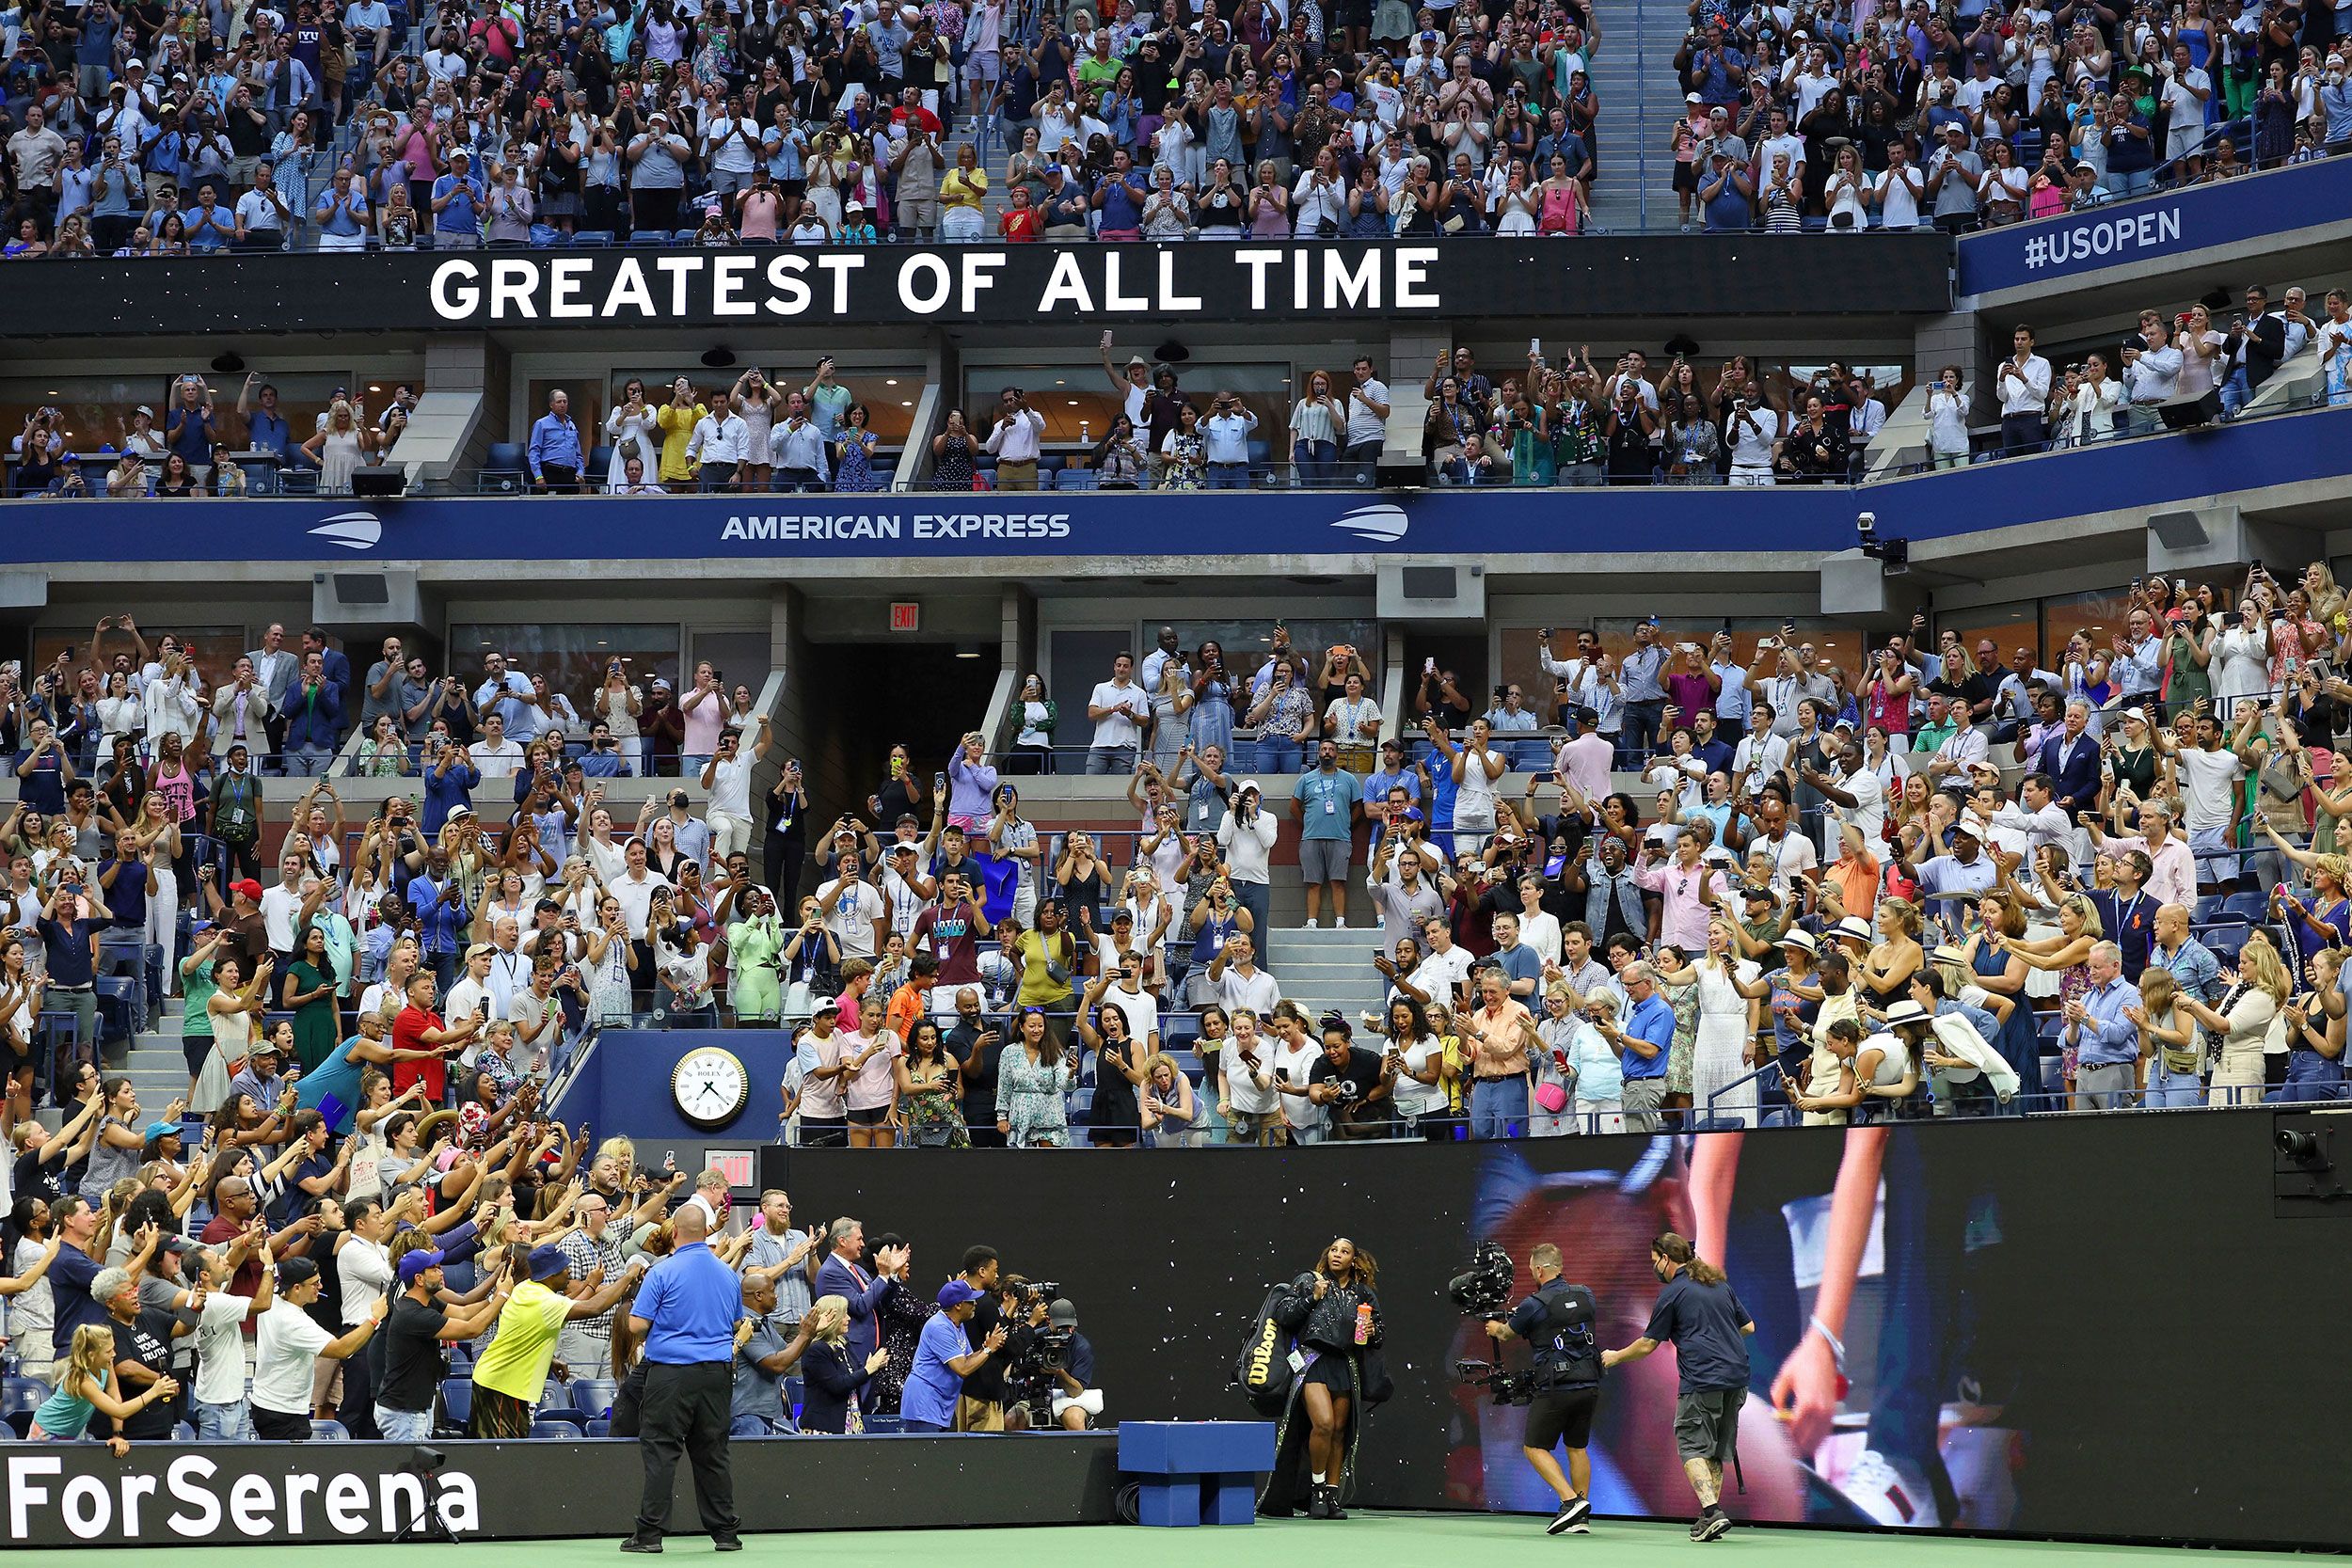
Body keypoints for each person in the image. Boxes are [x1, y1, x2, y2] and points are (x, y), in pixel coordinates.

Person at [1600, 1232, 1756, 1543]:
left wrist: (1615, 1356)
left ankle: (1712, 1511)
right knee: (1712, 1450)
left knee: (1689, 1448)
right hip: (1736, 1381)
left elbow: (1647, 1345)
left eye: (1654, 1262)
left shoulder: (1672, 1294)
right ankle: (1708, 1514)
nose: (1653, 1268)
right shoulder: (1719, 1286)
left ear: (1666, 1259)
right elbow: (1748, 1327)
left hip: (1702, 1382)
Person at [625, 1202, 746, 1553]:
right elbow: (736, 1322)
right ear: (706, 1231)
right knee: (713, 1453)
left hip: (671, 1374)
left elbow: (637, 1325)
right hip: (717, 1375)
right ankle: (725, 1534)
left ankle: (649, 1536)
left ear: (674, 1232)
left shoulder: (662, 1272)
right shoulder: (727, 1274)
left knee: (661, 1451)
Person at [1260, 1237, 1387, 1521]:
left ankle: (1331, 1494)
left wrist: (1370, 1330)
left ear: (1354, 1260)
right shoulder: (1309, 1281)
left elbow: (1378, 1336)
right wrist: (1312, 1297)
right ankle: (1315, 1490)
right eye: (1333, 1250)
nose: (1337, 1255)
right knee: (1324, 1424)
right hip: (1312, 1361)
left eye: (1344, 1251)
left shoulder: (1363, 1294)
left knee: (1340, 1431)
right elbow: (1284, 1315)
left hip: (1344, 1364)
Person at [1483, 1241, 1604, 1534]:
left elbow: (1507, 1333)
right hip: (1589, 1383)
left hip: (1555, 1387)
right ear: (1559, 1266)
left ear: (1538, 1270)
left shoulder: (1532, 1304)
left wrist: (1493, 1327)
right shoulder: (1586, 1294)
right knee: (1577, 1448)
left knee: (1534, 1448)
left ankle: (1569, 1502)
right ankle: (1582, 1515)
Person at [902, 1277, 1009, 1432]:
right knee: (924, 1454)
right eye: (971, 1301)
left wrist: (986, 1347)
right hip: (924, 1403)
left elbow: (967, 1358)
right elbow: (962, 1369)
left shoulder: (957, 1325)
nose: (975, 1305)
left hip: (938, 1403)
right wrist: (988, 1350)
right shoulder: (939, 1327)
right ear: (958, 1305)